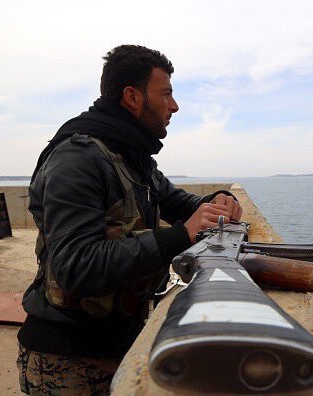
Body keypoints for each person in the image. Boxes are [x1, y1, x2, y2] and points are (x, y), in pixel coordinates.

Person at [17, 44, 242, 395]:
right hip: (67, 360)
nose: (175, 105)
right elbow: (75, 267)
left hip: (120, 344)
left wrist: (216, 203)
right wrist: (181, 236)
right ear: (132, 97)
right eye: (166, 93)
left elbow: (180, 203)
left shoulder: (133, 158)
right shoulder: (78, 159)